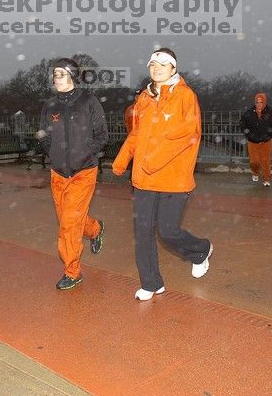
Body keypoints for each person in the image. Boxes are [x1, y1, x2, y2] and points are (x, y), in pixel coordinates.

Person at [112, 48, 213, 301]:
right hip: (144, 178)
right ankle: (151, 282)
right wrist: (123, 159)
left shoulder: (185, 97)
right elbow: (136, 133)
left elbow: (188, 134)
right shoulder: (144, 100)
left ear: (173, 68)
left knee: (168, 232)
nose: (156, 68)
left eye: (163, 64)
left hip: (173, 178)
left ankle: (201, 250)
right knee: (142, 231)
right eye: (152, 64)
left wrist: (154, 160)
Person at [38, 58, 108, 290]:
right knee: (69, 220)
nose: (56, 78)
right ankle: (95, 229)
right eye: (54, 74)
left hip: (83, 171)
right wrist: (54, 154)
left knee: (68, 223)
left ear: (72, 76)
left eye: (60, 73)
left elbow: (102, 136)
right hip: (58, 173)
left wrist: (82, 155)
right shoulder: (49, 105)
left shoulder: (88, 102)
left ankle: (72, 271)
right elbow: (43, 136)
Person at [239, 92, 272, 187]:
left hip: (265, 141)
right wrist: (248, 134)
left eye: (261, 102)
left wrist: (269, 135)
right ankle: (255, 172)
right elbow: (242, 124)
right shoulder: (249, 113)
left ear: (264, 102)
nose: (259, 104)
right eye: (257, 102)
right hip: (252, 141)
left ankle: (266, 179)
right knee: (254, 161)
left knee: (265, 161)